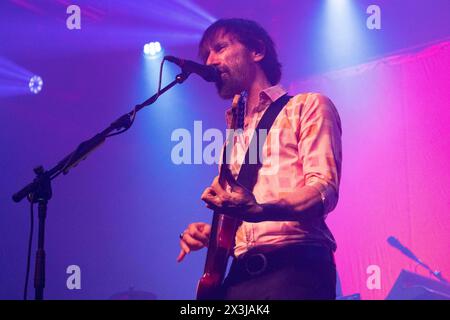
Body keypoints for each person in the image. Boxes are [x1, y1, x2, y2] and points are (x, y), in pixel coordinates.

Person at [177, 18, 342, 300]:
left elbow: (323, 190)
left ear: (257, 51)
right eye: (206, 54)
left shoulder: (306, 106)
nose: (210, 60)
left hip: (294, 268)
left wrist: (260, 209)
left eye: (220, 48)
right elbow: (242, 216)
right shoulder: (232, 136)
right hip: (240, 276)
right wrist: (213, 234)